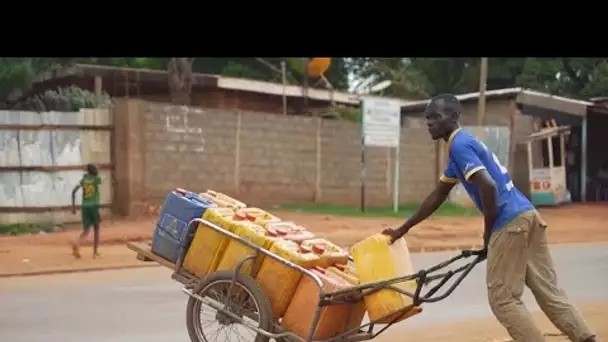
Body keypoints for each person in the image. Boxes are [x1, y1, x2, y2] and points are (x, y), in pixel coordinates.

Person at [382, 94, 596, 342]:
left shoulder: (459, 146)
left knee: (503, 300)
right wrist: (402, 229)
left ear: (453, 117)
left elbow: (488, 186)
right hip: (529, 216)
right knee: (549, 292)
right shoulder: (463, 148)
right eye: (428, 118)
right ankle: (586, 339)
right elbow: (437, 196)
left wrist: (489, 233)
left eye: (436, 117)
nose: (430, 123)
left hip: (509, 223)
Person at [71, 164, 102, 259]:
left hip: (85, 206)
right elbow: (99, 180)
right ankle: (95, 252)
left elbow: (73, 191)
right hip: (94, 206)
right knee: (96, 229)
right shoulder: (97, 179)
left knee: (86, 230)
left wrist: (73, 207)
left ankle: (78, 243)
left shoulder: (84, 180)